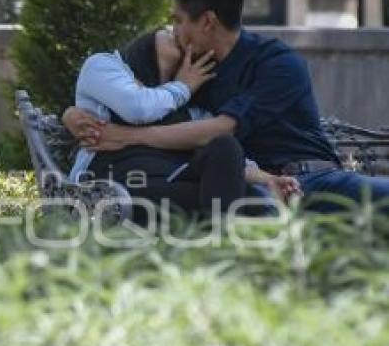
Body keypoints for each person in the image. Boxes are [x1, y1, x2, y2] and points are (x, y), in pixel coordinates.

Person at [73, 0, 389, 213]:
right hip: (247, 185)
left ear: (208, 22)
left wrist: (126, 136)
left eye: (179, 20)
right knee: (251, 209)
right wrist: (72, 114)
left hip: (313, 179)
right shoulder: (193, 74)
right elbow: (157, 109)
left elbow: (221, 129)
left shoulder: (276, 63)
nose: (175, 30)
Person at [63, 27, 300, 220]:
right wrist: (182, 87)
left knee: (226, 147)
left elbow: (237, 162)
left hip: (172, 183)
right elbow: (137, 108)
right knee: (247, 202)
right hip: (115, 186)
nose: (177, 33)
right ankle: (222, 248)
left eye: (183, 45)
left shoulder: (190, 111)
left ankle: (218, 243)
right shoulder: (104, 65)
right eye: (172, 35)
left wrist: (269, 179)